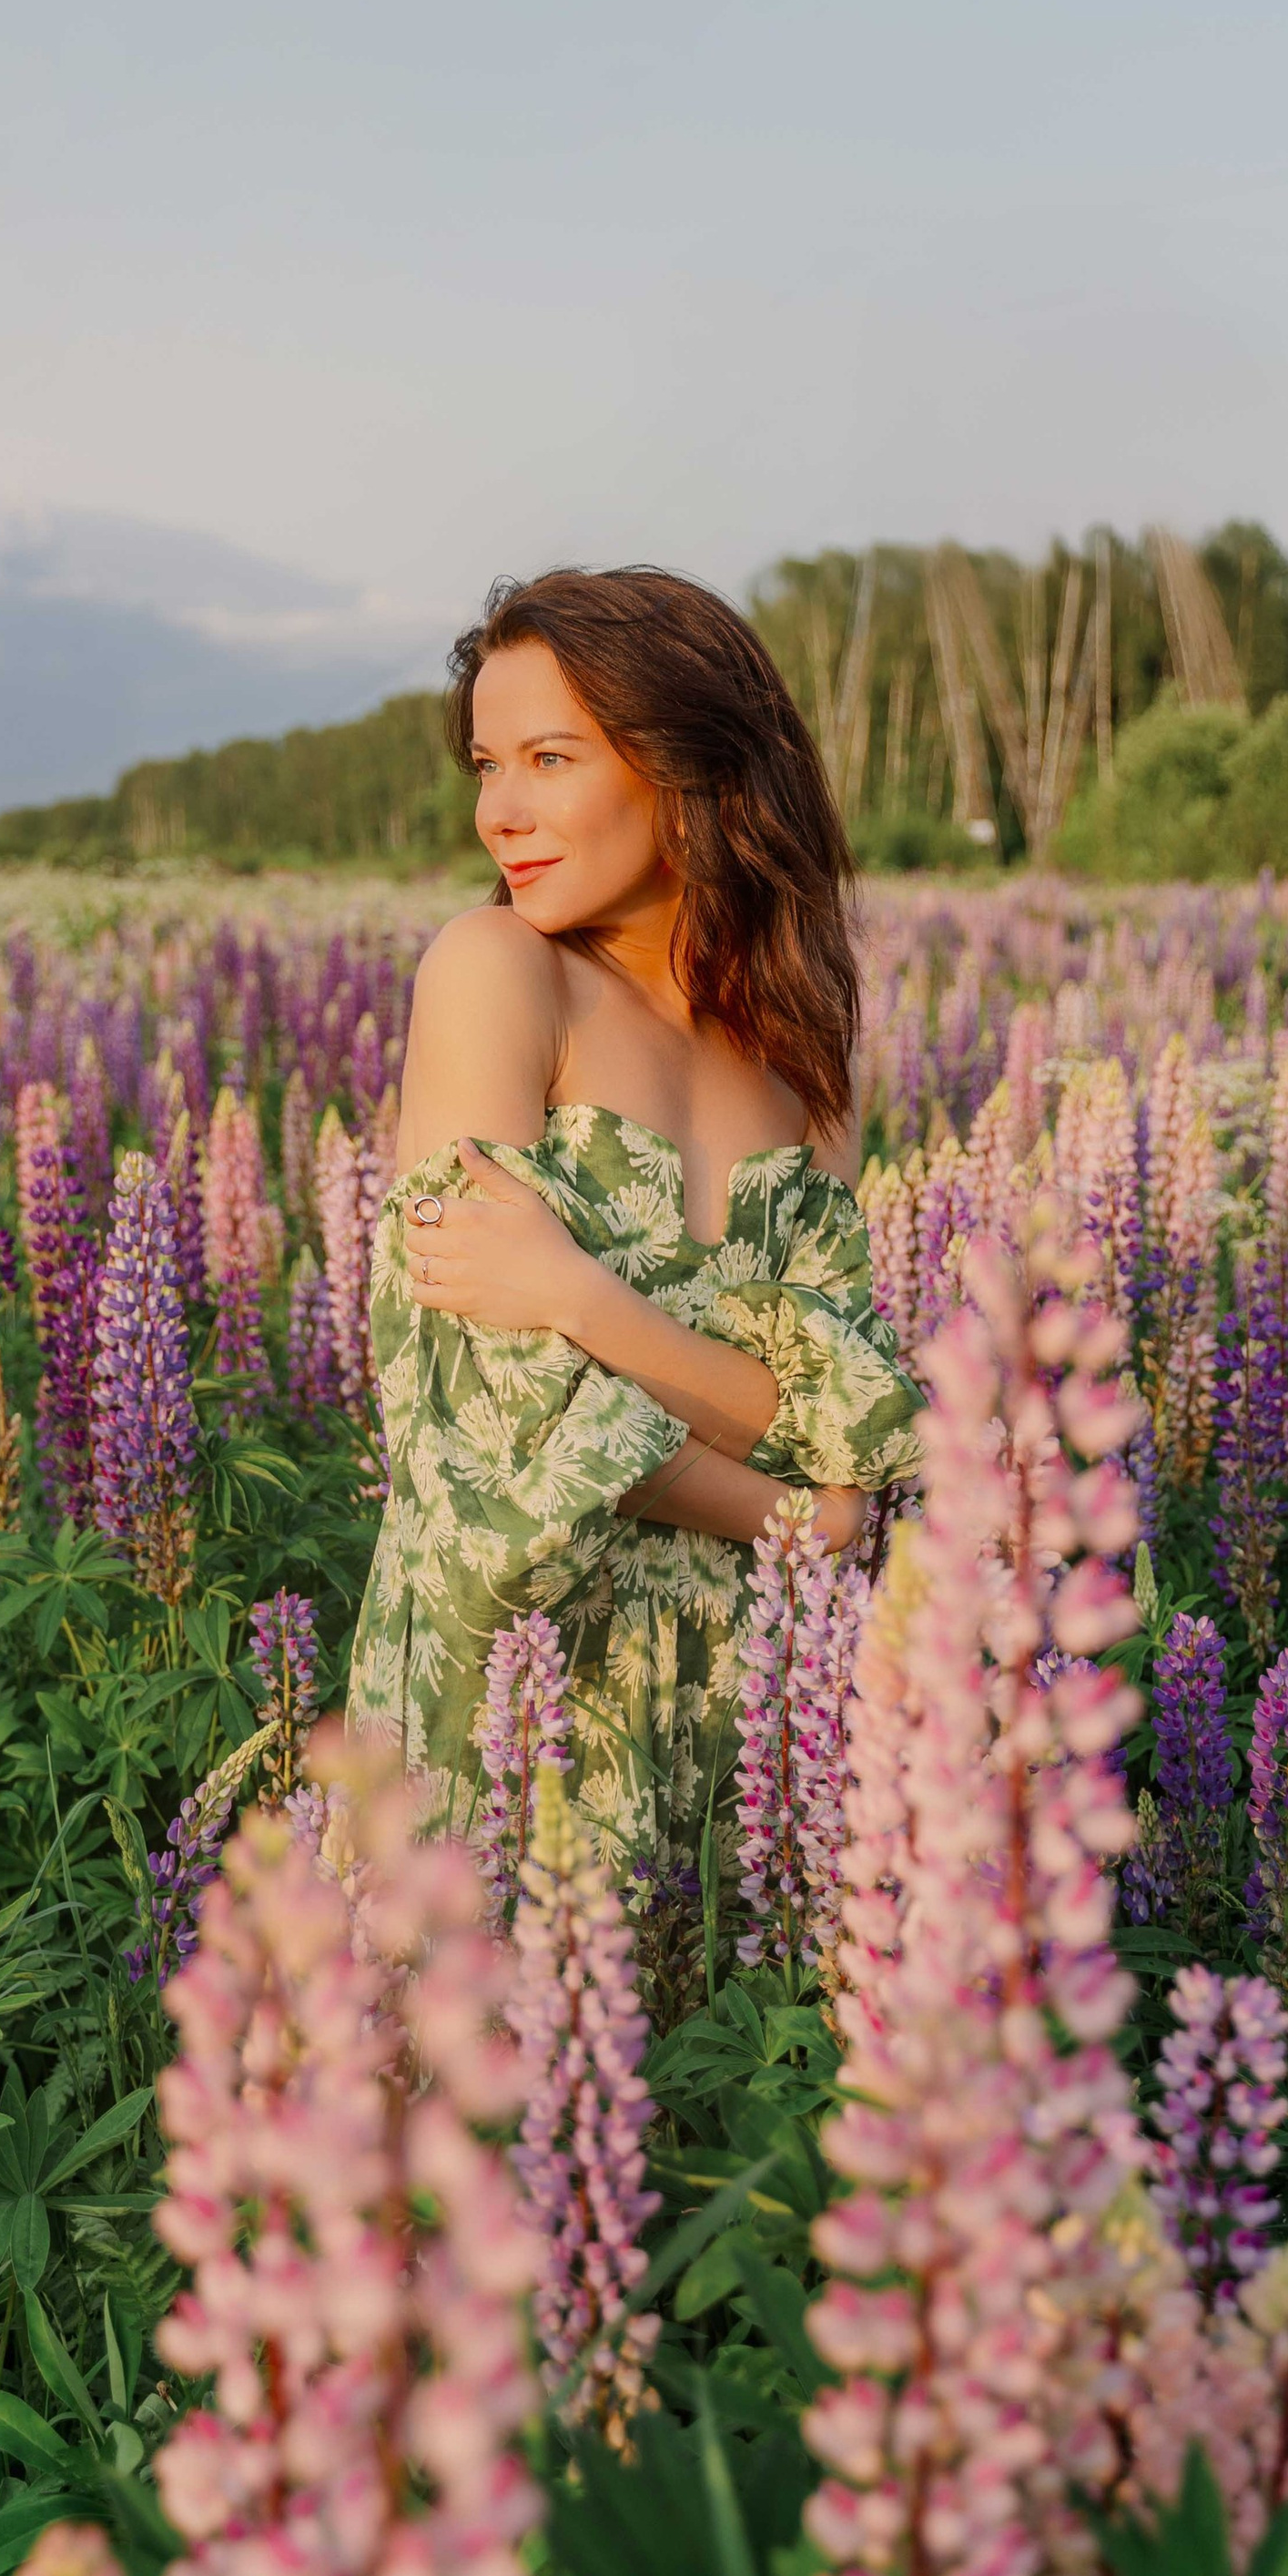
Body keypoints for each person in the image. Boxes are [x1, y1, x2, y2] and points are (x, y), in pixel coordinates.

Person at [345, 564, 922, 1856]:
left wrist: (575, 1297)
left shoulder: (803, 1058)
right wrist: (802, 1522)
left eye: (549, 757)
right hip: (515, 1707)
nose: (501, 812)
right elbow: (488, 1416)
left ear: (693, 774)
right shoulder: (497, 971)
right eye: (486, 765)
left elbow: (856, 1426)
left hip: (762, 1736)